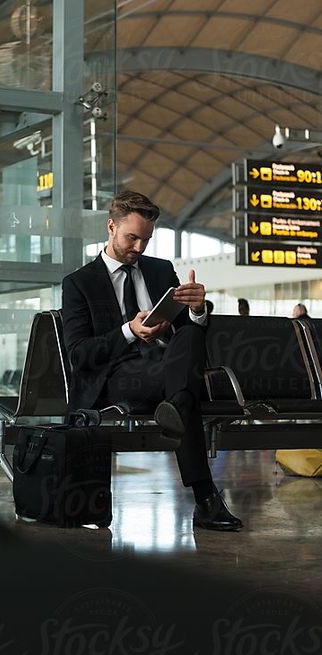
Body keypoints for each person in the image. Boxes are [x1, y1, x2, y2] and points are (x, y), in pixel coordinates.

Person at [62, 190, 243, 531]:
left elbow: (190, 331)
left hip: (166, 370)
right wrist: (128, 332)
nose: (139, 248)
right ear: (111, 226)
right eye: (132, 238)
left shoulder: (161, 271)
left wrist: (197, 309)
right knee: (186, 394)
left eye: (146, 240)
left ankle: (175, 407)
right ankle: (205, 499)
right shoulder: (80, 283)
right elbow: (79, 355)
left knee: (190, 334)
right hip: (116, 377)